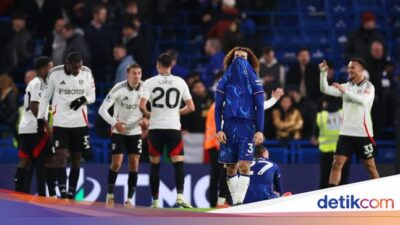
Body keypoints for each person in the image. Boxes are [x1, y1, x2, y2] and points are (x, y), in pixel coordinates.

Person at [139, 53, 195, 208]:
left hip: (155, 129)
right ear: (172, 65)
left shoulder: (149, 82)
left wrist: (150, 114)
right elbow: (191, 107)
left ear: (158, 65)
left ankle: (155, 201)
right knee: (178, 164)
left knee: (155, 165)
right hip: (173, 128)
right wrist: (177, 111)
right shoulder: (180, 82)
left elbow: (142, 105)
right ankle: (180, 197)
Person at [37, 52, 96, 199]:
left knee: (76, 158)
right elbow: (46, 97)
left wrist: (83, 100)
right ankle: (62, 193)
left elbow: (92, 96)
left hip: (80, 123)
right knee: (60, 156)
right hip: (61, 122)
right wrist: (40, 118)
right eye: (75, 68)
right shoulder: (54, 73)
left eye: (79, 67)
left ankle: (71, 193)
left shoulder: (87, 72)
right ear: (67, 64)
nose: (77, 71)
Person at [215, 47, 264, 205]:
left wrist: (260, 130)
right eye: (237, 57)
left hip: (247, 126)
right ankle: (236, 202)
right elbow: (217, 107)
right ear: (231, 59)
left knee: (244, 164)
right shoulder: (224, 80)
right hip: (229, 126)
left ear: (249, 61)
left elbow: (260, 107)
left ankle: (239, 202)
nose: (240, 60)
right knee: (230, 168)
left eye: (243, 57)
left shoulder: (255, 81)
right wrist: (218, 129)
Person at [319, 58, 380, 186]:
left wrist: (344, 91)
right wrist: (323, 74)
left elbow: (363, 100)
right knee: (336, 164)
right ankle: (332, 196)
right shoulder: (347, 86)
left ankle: (379, 195)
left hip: (363, 133)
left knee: (370, 167)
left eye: (352, 67)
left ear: (361, 70)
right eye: (348, 67)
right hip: (346, 133)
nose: (349, 70)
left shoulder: (368, 86)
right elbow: (325, 89)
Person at [99, 63, 147, 208]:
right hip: (119, 130)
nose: (137, 76)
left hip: (135, 131)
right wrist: (115, 123)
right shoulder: (118, 88)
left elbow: (152, 109)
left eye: (139, 73)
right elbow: (102, 110)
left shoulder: (146, 88)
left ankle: (129, 199)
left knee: (134, 163)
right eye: (134, 73)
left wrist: (147, 120)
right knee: (117, 163)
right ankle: (110, 194)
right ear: (127, 74)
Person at [14, 57, 54, 196]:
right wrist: (46, 125)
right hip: (34, 129)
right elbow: (34, 105)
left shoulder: (38, 83)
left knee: (25, 162)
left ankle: (18, 194)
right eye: (50, 67)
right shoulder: (38, 83)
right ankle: (42, 197)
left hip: (26, 128)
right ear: (42, 68)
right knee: (42, 164)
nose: (52, 70)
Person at [317, 95, 350, 189]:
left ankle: (323, 199)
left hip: (326, 151)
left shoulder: (321, 116)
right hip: (343, 151)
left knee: (326, 178)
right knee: (343, 178)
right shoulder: (344, 114)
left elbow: (315, 134)